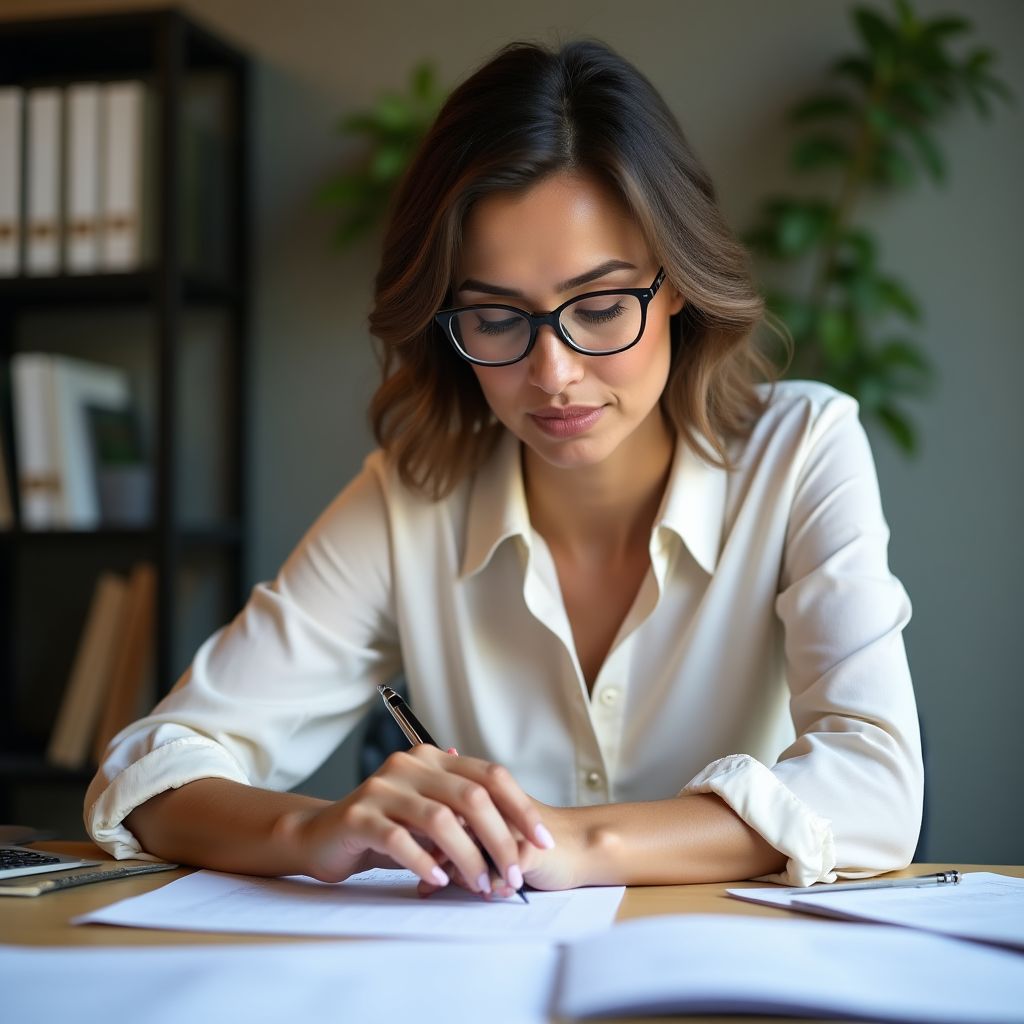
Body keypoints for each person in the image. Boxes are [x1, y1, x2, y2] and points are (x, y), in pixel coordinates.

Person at [85, 39, 923, 897]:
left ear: (678, 287)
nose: (553, 373)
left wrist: (581, 844)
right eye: (494, 318)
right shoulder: (411, 497)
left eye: (599, 307)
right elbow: (153, 770)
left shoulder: (804, 448)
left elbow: (873, 786)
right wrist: (317, 827)